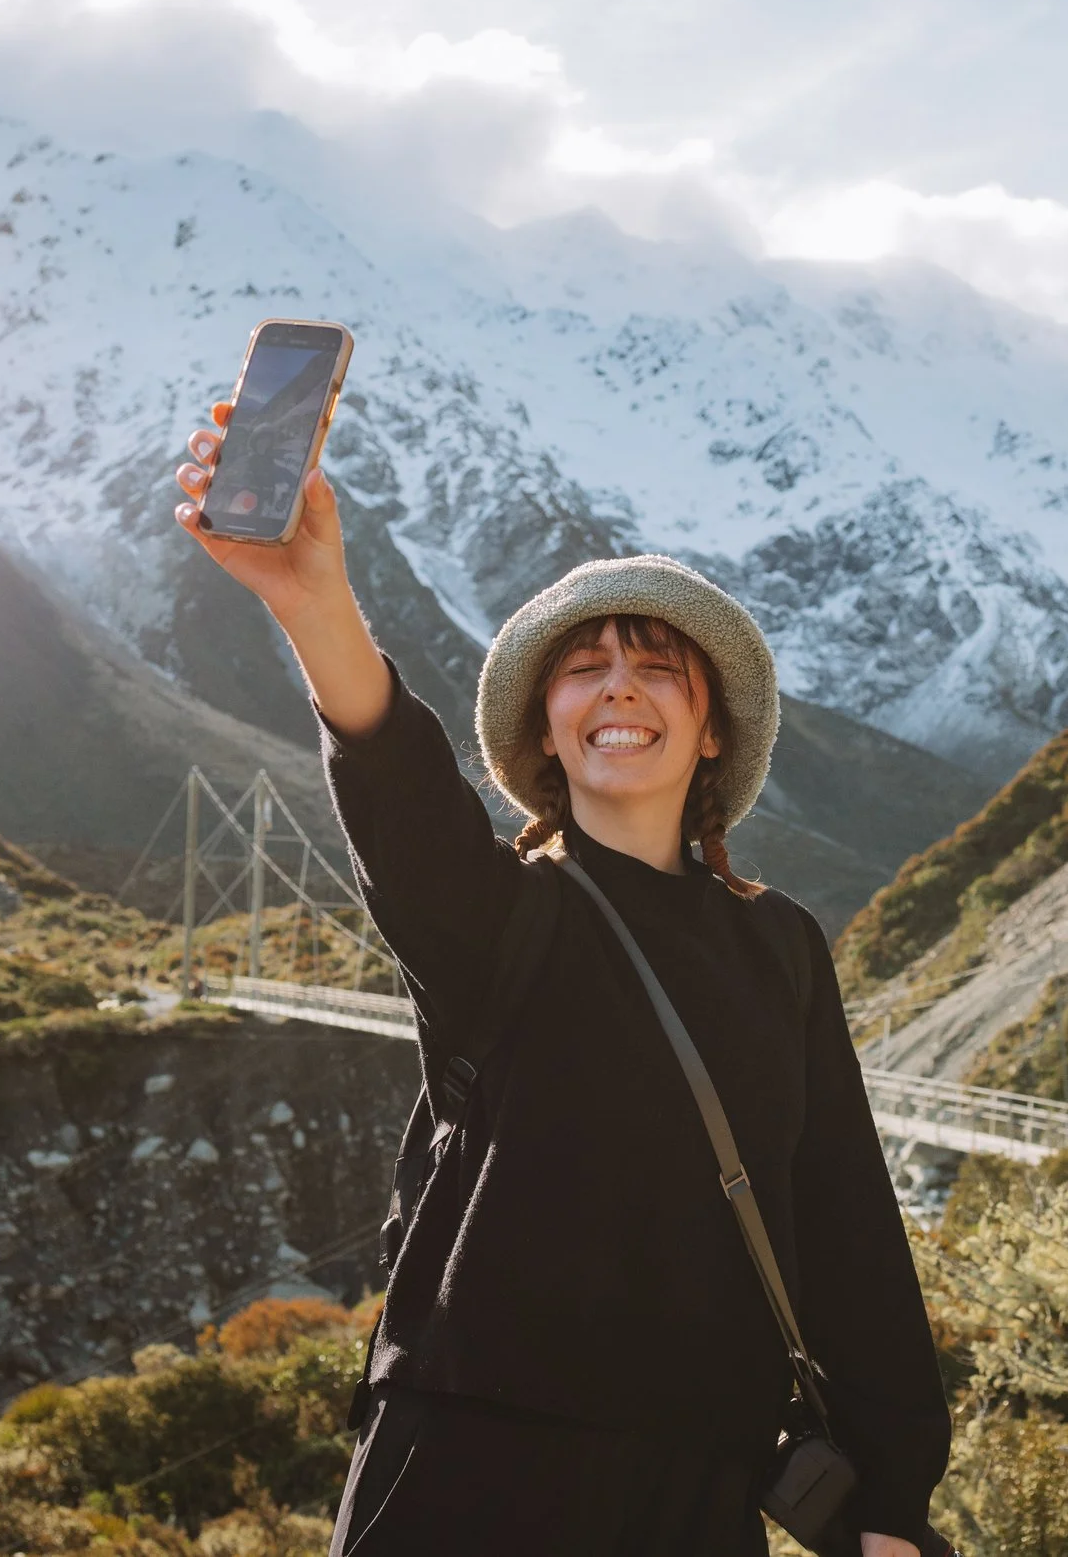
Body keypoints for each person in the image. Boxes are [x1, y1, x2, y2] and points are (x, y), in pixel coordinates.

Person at [175, 407, 951, 1556]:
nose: (619, 689)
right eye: (584, 670)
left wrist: (892, 1500)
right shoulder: (495, 915)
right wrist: (309, 599)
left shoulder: (779, 947)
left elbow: (845, 1224)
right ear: (547, 729)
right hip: (463, 1469)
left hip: (695, 1483)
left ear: (712, 731)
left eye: (657, 668)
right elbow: (399, 787)